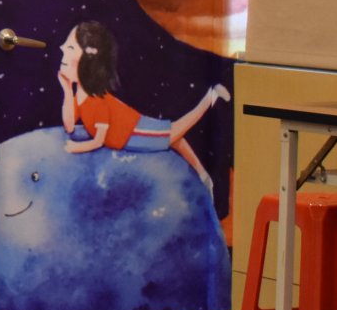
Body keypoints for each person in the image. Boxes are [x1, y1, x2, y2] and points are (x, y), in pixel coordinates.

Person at [57, 19, 228, 190]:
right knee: (176, 138)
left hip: (135, 132)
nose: (62, 48)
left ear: (89, 56)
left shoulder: (96, 100)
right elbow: (69, 126)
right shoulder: (81, 97)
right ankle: (203, 175)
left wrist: (76, 147)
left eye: (70, 47)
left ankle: (210, 97)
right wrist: (67, 89)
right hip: (133, 129)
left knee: (177, 131)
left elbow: (98, 142)